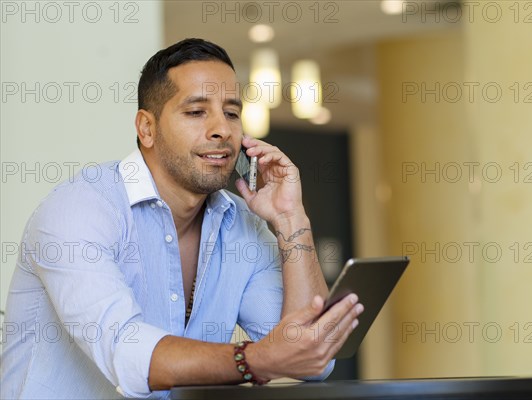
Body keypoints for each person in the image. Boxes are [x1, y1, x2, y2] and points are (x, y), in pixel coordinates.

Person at [0, 38, 363, 399]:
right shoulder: (80, 209)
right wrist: (255, 360)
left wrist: (289, 218)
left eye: (232, 113)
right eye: (196, 112)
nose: (222, 129)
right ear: (147, 128)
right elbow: (128, 355)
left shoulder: (242, 225)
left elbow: (314, 358)